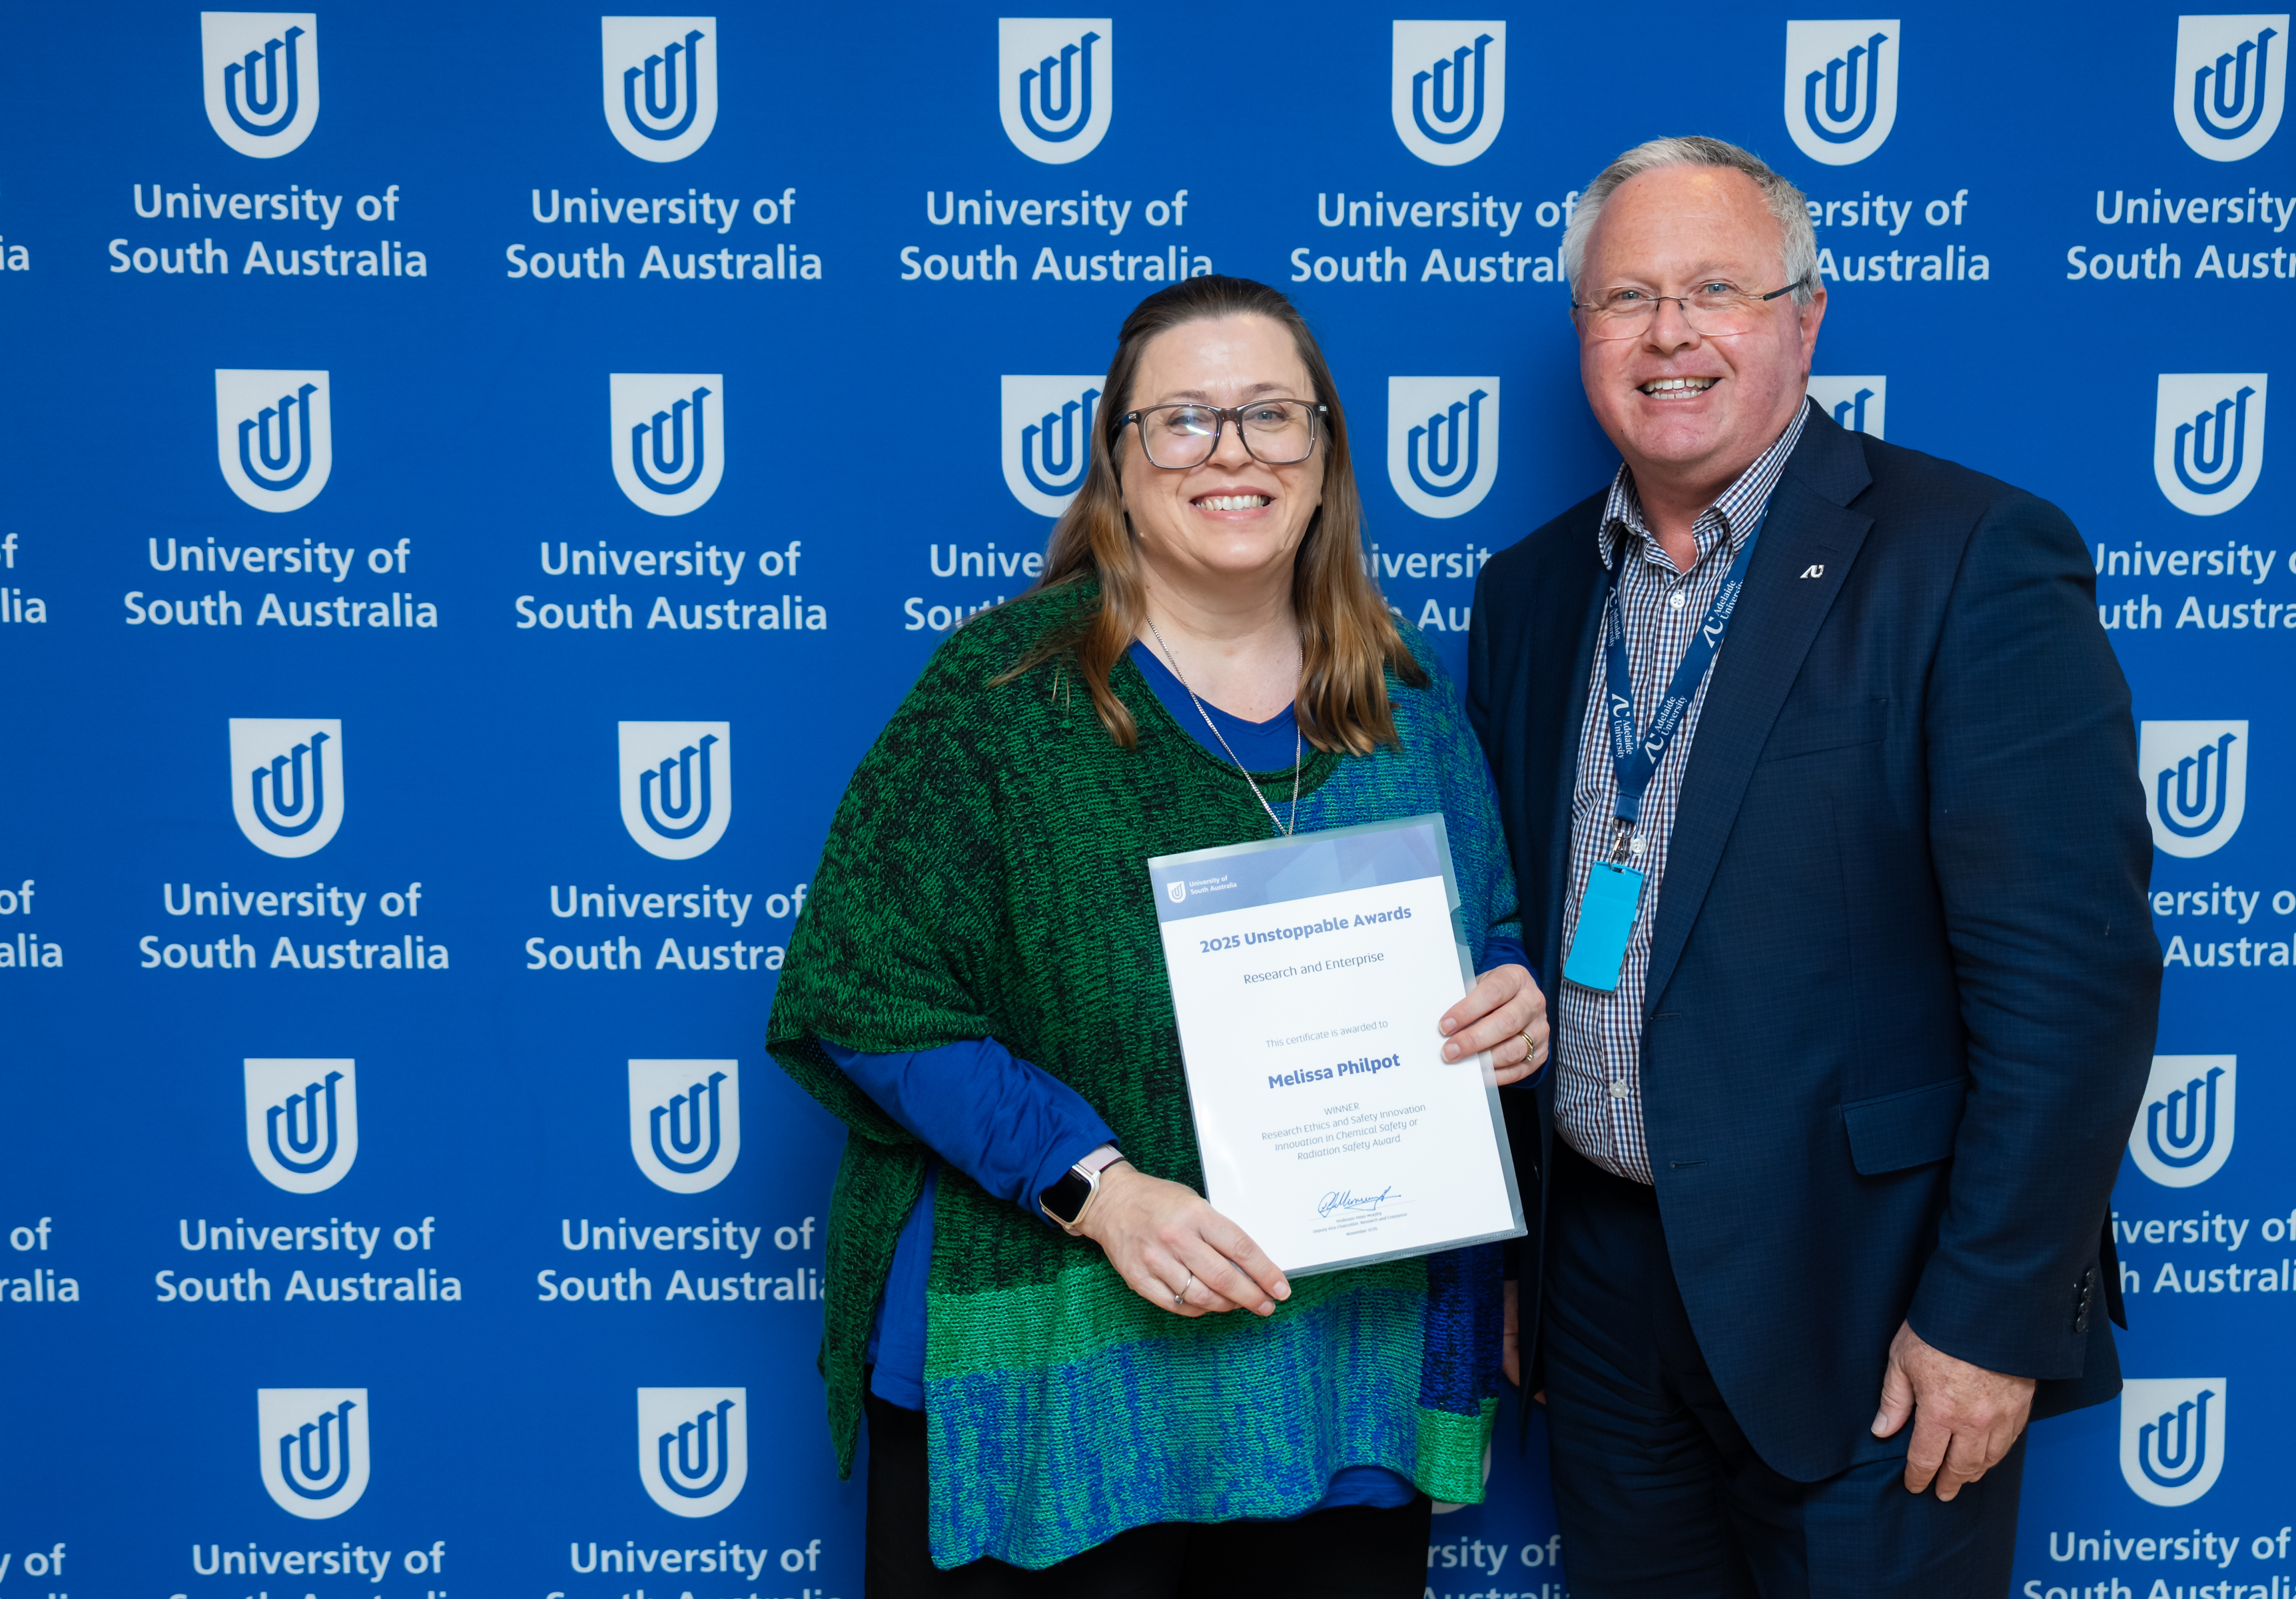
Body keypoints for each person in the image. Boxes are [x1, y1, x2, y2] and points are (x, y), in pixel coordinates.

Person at [767, 274, 1549, 1596]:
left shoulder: (1409, 706)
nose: (1232, 452)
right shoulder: (1005, 694)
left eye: (1270, 417)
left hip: (1333, 1372)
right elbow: (863, 993)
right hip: (1052, 1367)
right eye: (1183, 420)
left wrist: (1510, 997)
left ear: (1326, 456)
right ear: (1118, 465)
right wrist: (1097, 1188)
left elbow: (1491, 933)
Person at [1468, 137, 2161, 1596]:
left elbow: (2073, 986)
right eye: (1626, 297)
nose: (1670, 335)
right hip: (1600, 1299)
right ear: (1581, 331)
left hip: (1875, 1308)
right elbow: (1523, 933)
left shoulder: (1969, 556)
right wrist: (1521, 1264)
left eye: (1718, 288)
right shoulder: (1529, 593)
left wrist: (1989, 1316)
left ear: (1808, 317)